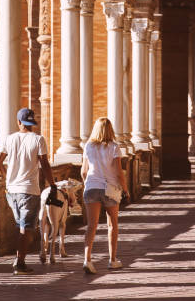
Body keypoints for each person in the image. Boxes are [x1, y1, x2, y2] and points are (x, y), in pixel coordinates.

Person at [0, 107, 56, 275]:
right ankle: (19, 263)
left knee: (21, 226)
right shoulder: (38, 140)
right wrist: (53, 185)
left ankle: (19, 260)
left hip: (11, 192)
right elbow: (45, 164)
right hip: (29, 190)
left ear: (19, 122)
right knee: (25, 229)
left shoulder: (9, 139)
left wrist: (7, 178)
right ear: (32, 123)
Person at [81, 117, 129, 274]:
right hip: (109, 189)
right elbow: (118, 172)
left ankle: (87, 260)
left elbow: (83, 171)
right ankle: (112, 260)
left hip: (92, 187)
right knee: (112, 225)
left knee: (91, 226)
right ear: (110, 130)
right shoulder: (114, 147)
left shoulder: (88, 146)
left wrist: (88, 184)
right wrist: (125, 189)